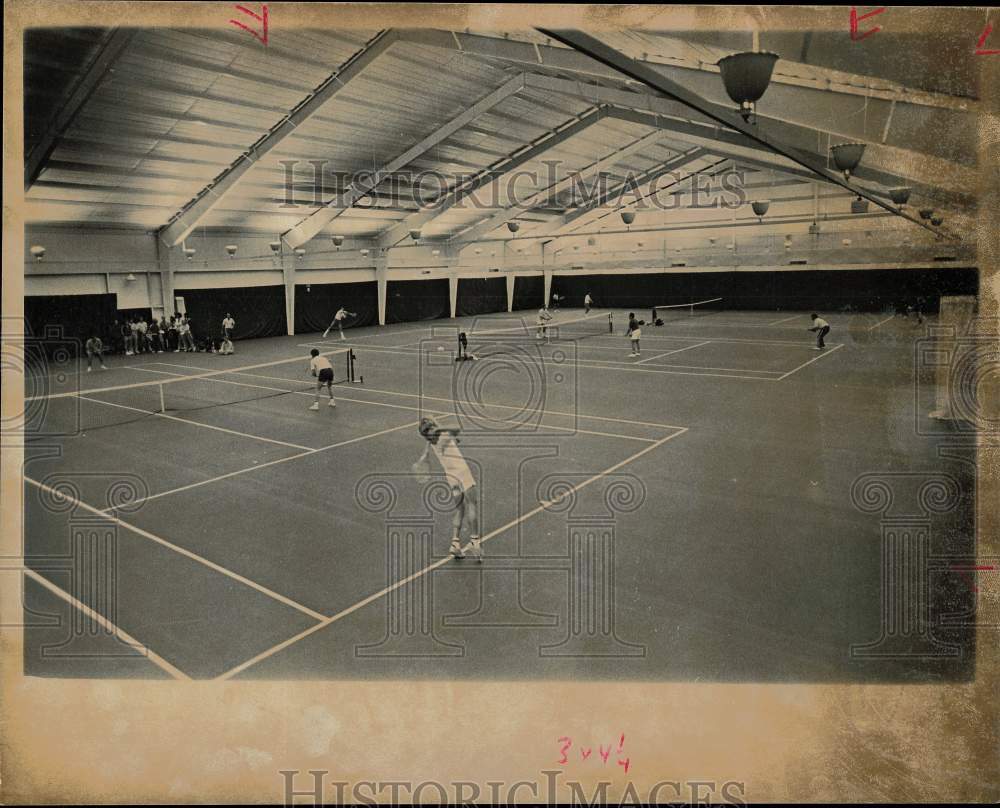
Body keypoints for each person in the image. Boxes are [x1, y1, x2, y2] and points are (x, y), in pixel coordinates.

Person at [416, 416, 481, 562]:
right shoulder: (444, 435)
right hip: (463, 473)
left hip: (452, 479)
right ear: (432, 429)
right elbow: (457, 427)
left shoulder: (431, 442)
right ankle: (474, 541)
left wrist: (437, 431)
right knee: (472, 504)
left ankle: (455, 543)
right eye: (432, 427)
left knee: (459, 510)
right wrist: (441, 427)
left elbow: (446, 438)